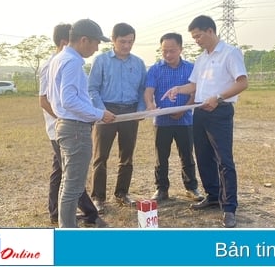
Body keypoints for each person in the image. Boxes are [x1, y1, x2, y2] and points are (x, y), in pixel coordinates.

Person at [161, 15, 248, 228]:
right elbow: (193, 85)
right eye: (194, 37)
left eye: (198, 36)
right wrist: (178, 89)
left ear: (210, 31)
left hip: (219, 112)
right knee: (203, 156)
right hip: (200, 111)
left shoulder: (230, 53)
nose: (197, 40)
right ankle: (212, 195)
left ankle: (229, 207)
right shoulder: (202, 58)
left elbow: (242, 83)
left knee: (224, 160)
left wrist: (218, 98)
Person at [47, 19, 116, 228]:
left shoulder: (59, 58)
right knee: (73, 185)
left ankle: (66, 227)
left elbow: (57, 97)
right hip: (75, 128)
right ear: (84, 40)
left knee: (69, 182)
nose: (96, 49)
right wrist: (98, 113)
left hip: (67, 126)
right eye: (95, 43)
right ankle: (69, 233)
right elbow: (68, 99)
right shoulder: (73, 61)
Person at [88, 22, 147, 213]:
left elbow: (142, 89)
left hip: (130, 111)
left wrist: (140, 109)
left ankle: (122, 193)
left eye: (130, 42)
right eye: (122, 42)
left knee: (127, 156)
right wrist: (102, 111)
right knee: (100, 157)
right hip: (106, 111)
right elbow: (93, 88)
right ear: (113, 40)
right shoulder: (101, 61)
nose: (127, 46)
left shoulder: (138, 63)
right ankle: (98, 197)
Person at [143, 32, 204, 202]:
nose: (168, 55)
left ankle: (191, 187)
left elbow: (195, 91)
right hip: (162, 121)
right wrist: (150, 105)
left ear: (180, 49)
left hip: (185, 120)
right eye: (164, 51)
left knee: (187, 155)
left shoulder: (190, 68)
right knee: (161, 157)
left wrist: (184, 109)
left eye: (172, 50)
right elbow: (149, 91)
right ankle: (161, 189)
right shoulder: (155, 69)